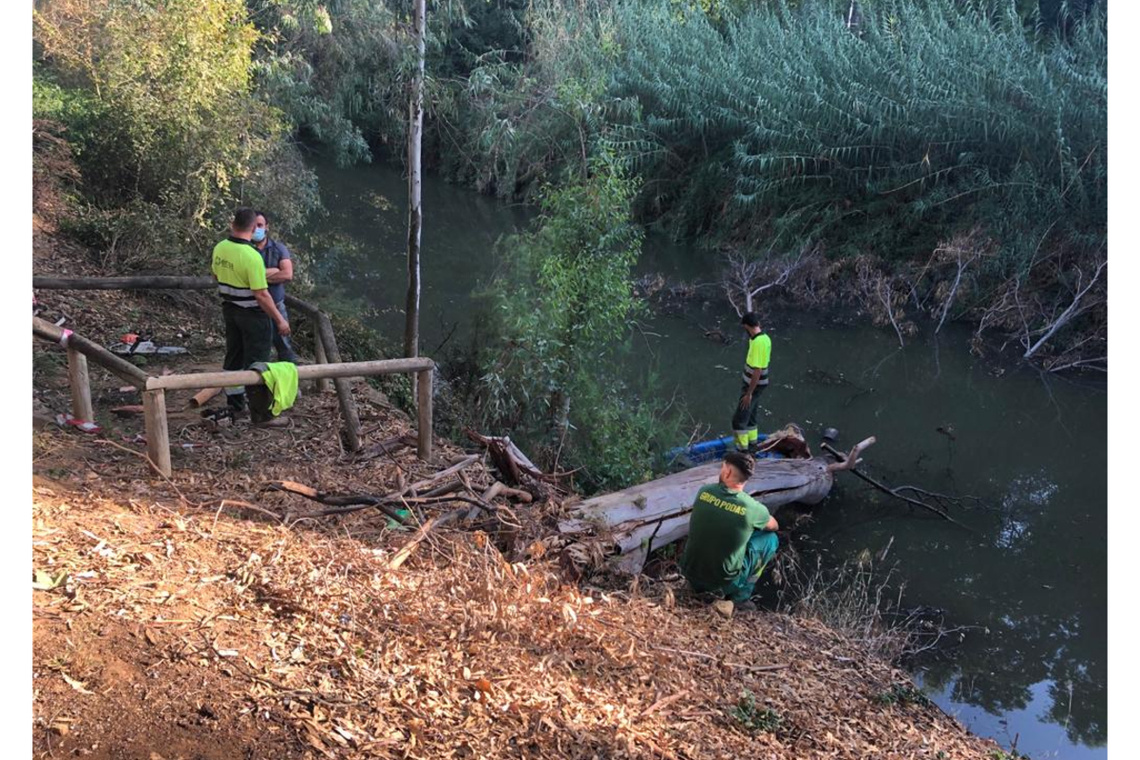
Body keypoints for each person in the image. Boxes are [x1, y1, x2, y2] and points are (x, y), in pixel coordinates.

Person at [211, 207, 291, 427]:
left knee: (233, 357)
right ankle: (261, 414)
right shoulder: (252, 256)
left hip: (230, 310)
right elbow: (262, 294)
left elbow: (216, 275)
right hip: (253, 315)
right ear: (254, 227)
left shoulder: (220, 247)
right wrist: (279, 320)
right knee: (258, 363)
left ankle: (235, 405)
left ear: (233, 224)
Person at [679, 451, 779, 611]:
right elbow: (774, 526)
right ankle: (740, 599)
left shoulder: (704, 491)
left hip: (689, 572)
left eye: (722, 467)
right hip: (723, 585)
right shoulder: (752, 508)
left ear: (728, 472)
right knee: (771, 539)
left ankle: (696, 585)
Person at [252, 210, 300, 363]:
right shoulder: (244, 250)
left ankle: (289, 381)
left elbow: (287, 274)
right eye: (253, 225)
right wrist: (272, 273)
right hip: (253, 308)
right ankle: (258, 384)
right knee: (258, 348)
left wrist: (255, 277)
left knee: (284, 345)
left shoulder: (279, 249)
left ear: (267, 227)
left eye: (259, 225)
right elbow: (242, 276)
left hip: (277, 305)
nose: (256, 229)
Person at [732, 312, 771, 453]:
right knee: (751, 417)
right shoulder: (763, 338)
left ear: (747, 326)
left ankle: (742, 453)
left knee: (738, 420)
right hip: (757, 385)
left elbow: (757, 370)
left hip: (753, 386)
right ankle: (753, 446)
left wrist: (749, 393)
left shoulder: (758, 342)